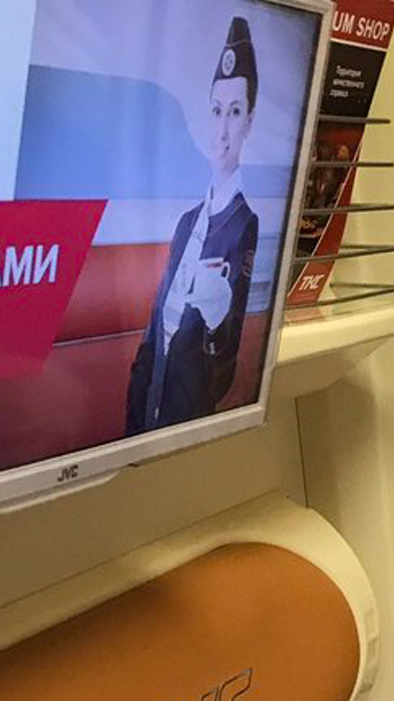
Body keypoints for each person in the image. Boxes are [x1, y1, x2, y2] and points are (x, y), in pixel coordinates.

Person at [126, 16, 262, 435]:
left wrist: (217, 319)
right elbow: (154, 330)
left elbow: (225, 358)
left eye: (235, 112)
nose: (222, 130)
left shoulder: (243, 225)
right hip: (144, 410)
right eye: (217, 110)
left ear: (249, 121)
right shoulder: (187, 223)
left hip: (184, 420)